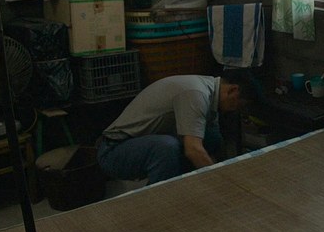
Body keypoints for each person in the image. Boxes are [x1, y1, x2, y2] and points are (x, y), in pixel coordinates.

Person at [97, 74, 242, 185]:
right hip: (114, 151)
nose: (236, 109)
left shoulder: (211, 96)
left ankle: (182, 189)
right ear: (233, 89)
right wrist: (221, 184)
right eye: (240, 104)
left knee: (212, 138)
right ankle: (160, 201)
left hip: (144, 144)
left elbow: (212, 147)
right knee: (166, 147)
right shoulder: (197, 93)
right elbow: (193, 150)